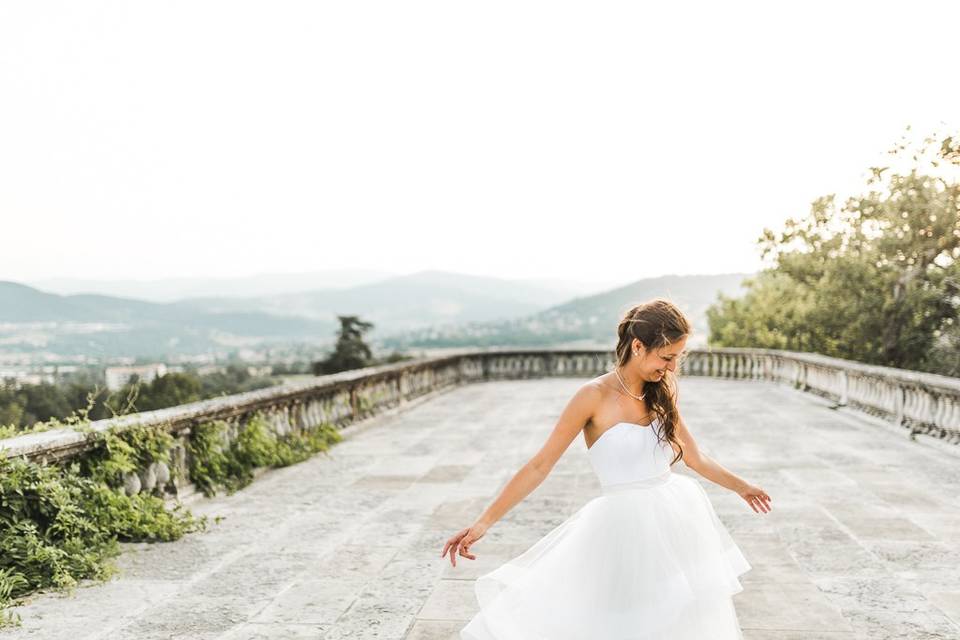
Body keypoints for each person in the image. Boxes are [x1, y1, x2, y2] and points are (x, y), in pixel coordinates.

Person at [441, 298, 772, 639]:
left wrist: (741, 486)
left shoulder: (664, 390)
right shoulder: (592, 396)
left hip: (677, 515)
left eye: (678, 358)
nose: (672, 367)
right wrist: (483, 522)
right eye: (667, 357)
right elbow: (540, 465)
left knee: (682, 617)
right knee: (622, 621)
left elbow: (694, 456)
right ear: (638, 346)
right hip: (622, 527)